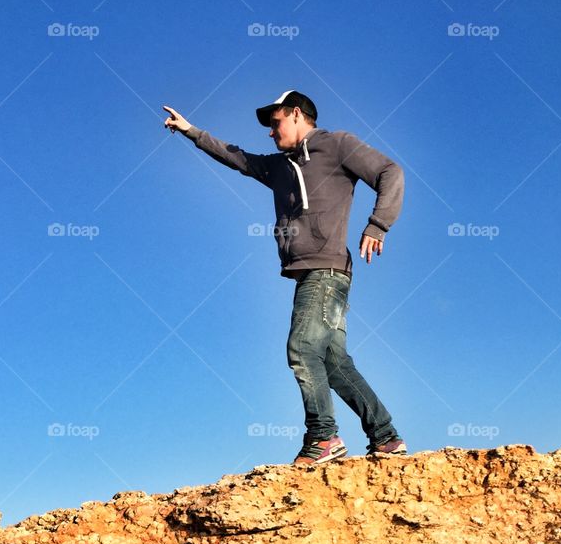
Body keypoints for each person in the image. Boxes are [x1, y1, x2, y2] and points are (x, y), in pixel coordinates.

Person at [163, 90, 406, 466]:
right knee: (334, 362)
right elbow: (236, 158)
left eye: (275, 122)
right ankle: (386, 437)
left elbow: (390, 172)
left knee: (302, 349)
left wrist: (378, 224)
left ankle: (323, 437)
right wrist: (191, 131)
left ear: (296, 114)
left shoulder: (336, 144)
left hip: (327, 271)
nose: (270, 131)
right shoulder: (279, 167)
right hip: (311, 273)